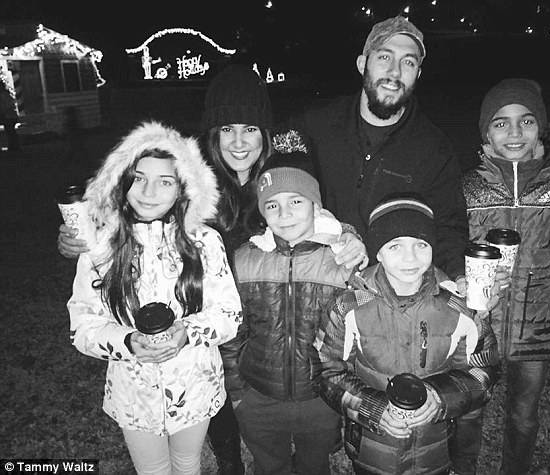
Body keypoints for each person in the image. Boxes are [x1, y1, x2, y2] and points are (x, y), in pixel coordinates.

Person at [57, 63, 367, 475]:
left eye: (250, 129)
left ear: (265, 133)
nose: (238, 142)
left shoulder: (278, 173)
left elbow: (311, 210)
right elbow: (139, 213)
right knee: (221, 412)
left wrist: (346, 235)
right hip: (202, 316)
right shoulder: (196, 182)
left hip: (264, 314)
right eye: (227, 130)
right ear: (212, 135)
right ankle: (229, 461)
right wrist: (80, 238)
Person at [67, 120, 243, 474]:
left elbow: (229, 314)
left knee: (187, 462)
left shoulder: (204, 242)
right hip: (133, 394)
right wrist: (127, 342)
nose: (149, 192)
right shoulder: (100, 247)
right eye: (139, 177)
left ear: (184, 188)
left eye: (165, 181)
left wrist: (187, 332)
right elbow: (82, 326)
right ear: (120, 179)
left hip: (195, 386)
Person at [460, 78, 550, 474]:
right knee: (467, 412)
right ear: (486, 132)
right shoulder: (466, 186)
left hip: (539, 327)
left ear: (540, 127)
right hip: (478, 325)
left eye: (526, 121)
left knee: (523, 416)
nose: (514, 133)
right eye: (501, 123)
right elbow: (449, 250)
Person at [316, 194, 500, 475]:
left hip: (436, 450)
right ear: (377, 252)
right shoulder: (348, 306)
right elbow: (326, 370)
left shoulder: (460, 307)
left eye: (421, 244)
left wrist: (441, 397)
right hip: (372, 452)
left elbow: (484, 371)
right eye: (395, 246)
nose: (410, 258)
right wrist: (372, 408)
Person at [288, 15, 468, 283]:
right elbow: (279, 185)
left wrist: (458, 275)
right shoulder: (316, 126)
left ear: (418, 74)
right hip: (317, 281)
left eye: (408, 62)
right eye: (384, 57)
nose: (395, 72)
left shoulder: (434, 149)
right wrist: (333, 231)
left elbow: (447, 227)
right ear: (362, 64)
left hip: (389, 292)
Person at [222, 130, 355, 475]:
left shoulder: (342, 261)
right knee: (269, 466)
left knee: (315, 466)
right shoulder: (244, 260)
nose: (284, 214)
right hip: (258, 398)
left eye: (296, 201)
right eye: (272, 205)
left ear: (316, 205)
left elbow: (358, 336)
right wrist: (239, 394)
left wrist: (341, 392)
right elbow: (232, 332)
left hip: (320, 400)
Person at [0, 81, 20, 152]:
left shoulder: (2, 95)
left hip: (7, 116)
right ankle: (14, 146)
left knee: (10, 132)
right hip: (11, 115)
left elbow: (4, 106)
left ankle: (13, 146)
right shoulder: (7, 94)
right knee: (11, 132)